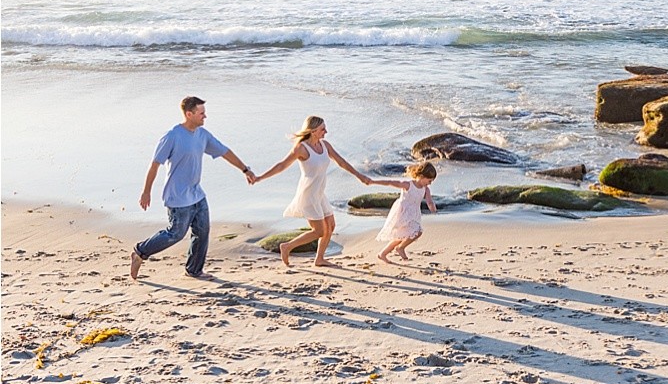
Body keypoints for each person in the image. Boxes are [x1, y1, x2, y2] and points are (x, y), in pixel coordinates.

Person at [130, 96, 255, 281]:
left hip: (196, 194)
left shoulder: (202, 135)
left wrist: (245, 169)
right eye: (201, 113)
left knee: (202, 231)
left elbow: (224, 151)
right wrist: (146, 191)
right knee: (175, 234)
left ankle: (194, 270)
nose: (205, 116)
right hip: (177, 196)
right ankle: (140, 252)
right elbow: (155, 164)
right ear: (189, 114)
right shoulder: (172, 136)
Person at [254, 115, 371, 268]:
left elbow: (341, 162)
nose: (326, 132)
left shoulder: (325, 145)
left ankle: (320, 259)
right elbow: (282, 165)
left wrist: (359, 175)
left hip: (320, 193)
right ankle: (287, 246)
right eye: (323, 129)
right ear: (313, 131)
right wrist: (260, 177)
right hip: (308, 193)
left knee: (331, 225)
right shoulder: (301, 148)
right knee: (319, 231)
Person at [370, 162, 438, 263]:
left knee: (402, 235)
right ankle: (400, 248)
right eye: (429, 180)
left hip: (413, 214)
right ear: (422, 176)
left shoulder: (425, 189)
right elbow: (391, 182)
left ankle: (383, 253)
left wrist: (434, 210)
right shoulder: (408, 185)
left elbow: (430, 202)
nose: (430, 183)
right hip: (403, 212)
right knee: (417, 232)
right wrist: (373, 182)